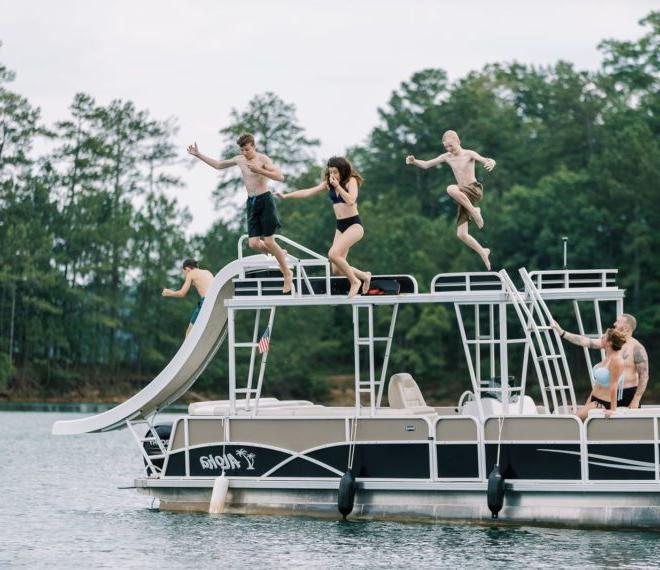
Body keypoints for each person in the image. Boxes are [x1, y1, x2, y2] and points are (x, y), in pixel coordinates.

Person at [187, 133, 293, 294]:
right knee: (253, 244)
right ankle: (279, 253)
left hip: (265, 200)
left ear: (254, 146)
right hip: (251, 202)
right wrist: (199, 155)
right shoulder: (240, 160)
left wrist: (260, 170)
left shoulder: (263, 160)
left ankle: (287, 274)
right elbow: (219, 165)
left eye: (247, 149)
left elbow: (280, 177)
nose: (245, 153)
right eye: (242, 150)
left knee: (269, 242)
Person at [275, 156, 371, 298]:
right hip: (341, 226)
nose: (332, 175)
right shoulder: (328, 184)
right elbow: (307, 192)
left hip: (354, 225)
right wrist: (286, 196)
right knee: (337, 270)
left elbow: (351, 200)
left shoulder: (351, 181)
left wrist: (338, 186)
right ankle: (365, 275)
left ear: (343, 171)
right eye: (330, 172)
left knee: (333, 254)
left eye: (335, 172)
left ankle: (355, 281)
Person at [405, 130, 495, 270]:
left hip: (474, 190)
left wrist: (492, 162)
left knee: (451, 189)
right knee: (462, 234)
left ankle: (475, 212)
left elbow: (486, 159)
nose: (449, 149)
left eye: (451, 146)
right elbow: (427, 164)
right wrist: (414, 161)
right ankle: (483, 251)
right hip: (464, 197)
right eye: (446, 147)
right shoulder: (447, 157)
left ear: (458, 141)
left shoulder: (469, 154)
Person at [553, 313, 649, 410]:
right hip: (606, 394)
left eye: (618, 322)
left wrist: (636, 400)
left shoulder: (637, 348)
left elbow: (644, 376)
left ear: (627, 328)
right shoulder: (610, 342)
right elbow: (585, 341)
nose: (614, 323)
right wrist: (562, 333)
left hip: (627, 394)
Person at [570, 328, 626, 420]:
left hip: (602, 403)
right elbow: (597, 385)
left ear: (609, 343)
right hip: (594, 399)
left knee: (573, 420)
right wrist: (586, 405)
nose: (601, 337)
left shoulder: (617, 360)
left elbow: (614, 385)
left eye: (604, 336)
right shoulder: (607, 358)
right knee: (577, 423)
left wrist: (613, 409)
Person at [162, 258, 214, 337]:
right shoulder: (207, 272)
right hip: (214, 299)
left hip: (205, 302)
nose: (185, 275)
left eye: (184, 273)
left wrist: (169, 293)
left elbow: (182, 293)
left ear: (187, 269)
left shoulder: (191, 274)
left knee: (189, 332)